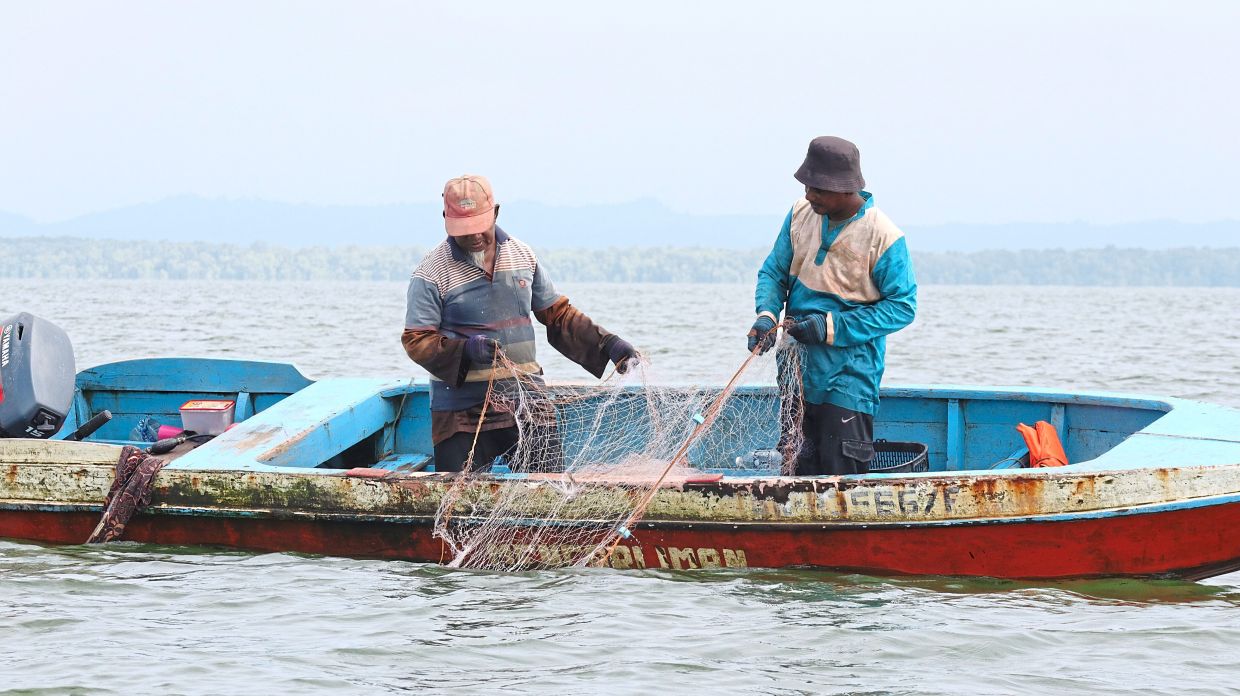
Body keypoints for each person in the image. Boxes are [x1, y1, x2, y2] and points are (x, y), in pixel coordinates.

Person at [403, 174, 640, 473]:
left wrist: (608, 344)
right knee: (460, 506)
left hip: (527, 399)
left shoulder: (522, 255)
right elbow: (417, 339)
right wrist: (466, 351)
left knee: (546, 489)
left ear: (496, 213)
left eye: (480, 227)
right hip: (462, 411)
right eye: (465, 230)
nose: (475, 236)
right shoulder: (430, 271)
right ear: (446, 220)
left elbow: (557, 314)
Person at [748, 137, 917, 476]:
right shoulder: (800, 213)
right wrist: (766, 316)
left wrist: (829, 327)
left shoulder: (884, 236)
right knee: (795, 466)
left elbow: (902, 307)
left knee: (841, 477)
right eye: (808, 185)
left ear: (845, 189)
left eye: (818, 189)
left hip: (849, 377)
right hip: (796, 372)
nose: (809, 195)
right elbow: (773, 272)